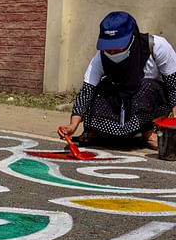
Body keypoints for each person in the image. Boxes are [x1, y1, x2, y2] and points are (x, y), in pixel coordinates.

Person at [59, 11, 176, 150]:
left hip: (150, 105)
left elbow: (173, 86)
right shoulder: (101, 57)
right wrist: (73, 125)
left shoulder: (157, 46)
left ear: (132, 38)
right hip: (119, 103)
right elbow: (87, 91)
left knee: (145, 86)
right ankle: (104, 132)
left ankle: (147, 131)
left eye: (118, 47)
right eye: (109, 49)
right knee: (102, 88)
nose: (112, 52)